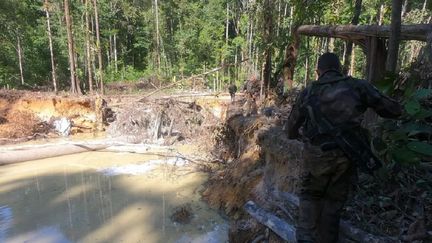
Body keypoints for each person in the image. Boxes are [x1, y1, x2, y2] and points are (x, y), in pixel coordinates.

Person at [286, 53, 402, 243]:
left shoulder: (308, 92)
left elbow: (290, 130)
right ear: (340, 69)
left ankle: (306, 239)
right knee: (334, 203)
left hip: (316, 158)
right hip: (347, 156)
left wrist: (301, 136)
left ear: (318, 71)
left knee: (309, 198)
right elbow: (393, 110)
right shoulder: (358, 86)